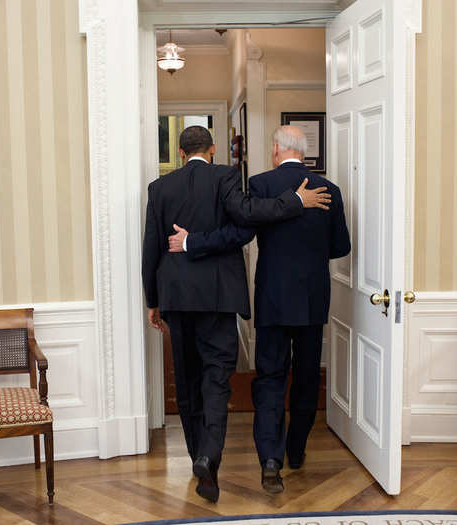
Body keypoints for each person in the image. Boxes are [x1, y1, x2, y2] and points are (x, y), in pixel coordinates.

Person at [141, 125, 331, 503]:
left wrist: (153, 300)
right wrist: (294, 202)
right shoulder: (226, 176)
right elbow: (247, 219)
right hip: (219, 297)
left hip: (176, 297)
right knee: (216, 380)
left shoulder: (159, 189)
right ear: (212, 150)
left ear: (180, 153)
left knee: (187, 379)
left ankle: (200, 457)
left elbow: (151, 249)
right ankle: (210, 455)